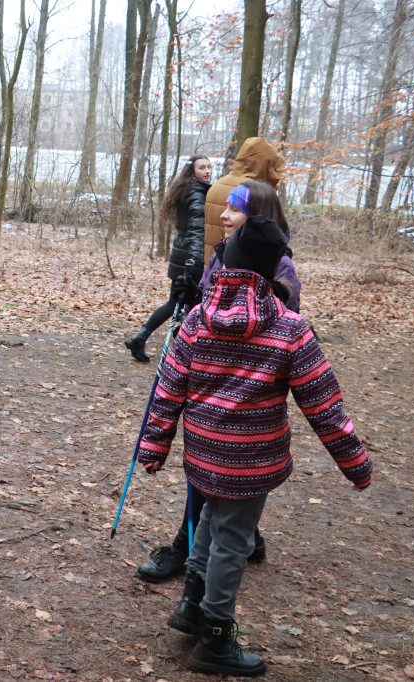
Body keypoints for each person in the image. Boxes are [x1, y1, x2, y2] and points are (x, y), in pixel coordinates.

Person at [136, 215, 372, 676]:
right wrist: (356, 463)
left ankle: (192, 604)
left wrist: (154, 447)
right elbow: (324, 407)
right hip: (250, 463)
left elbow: (168, 389)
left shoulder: (199, 319)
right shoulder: (290, 329)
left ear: (228, 262)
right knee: (232, 539)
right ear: (272, 271)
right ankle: (216, 636)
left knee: (208, 518)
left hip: (203, 454)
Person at [136, 179, 301, 582]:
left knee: (212, 477)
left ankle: (183, 552)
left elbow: (274, 323)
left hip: (245, 396)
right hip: (208, 387)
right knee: (216, 479)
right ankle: (249, 539)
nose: (223, 215)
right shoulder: (221, 255)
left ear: (257, 217)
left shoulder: (281, 265)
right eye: (225, 207)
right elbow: (214, 311)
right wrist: (191, 297)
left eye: (234, 209)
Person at [126, 155, 212, 363]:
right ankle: (178, 344)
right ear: (192, 172)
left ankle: (142, 337)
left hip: (183, 254)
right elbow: (197, 231)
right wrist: (194, 262)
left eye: (209, 167)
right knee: (193, 303)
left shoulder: (190, 189)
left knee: (179, 303)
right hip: (190, 258)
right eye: (202, 168)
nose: (207, 171)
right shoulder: (197, 194)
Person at [203, 137, 285, 262]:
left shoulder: (218, 184)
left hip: (211, 262)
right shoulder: (253, 192)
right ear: (266, 164)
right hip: (237, 267)